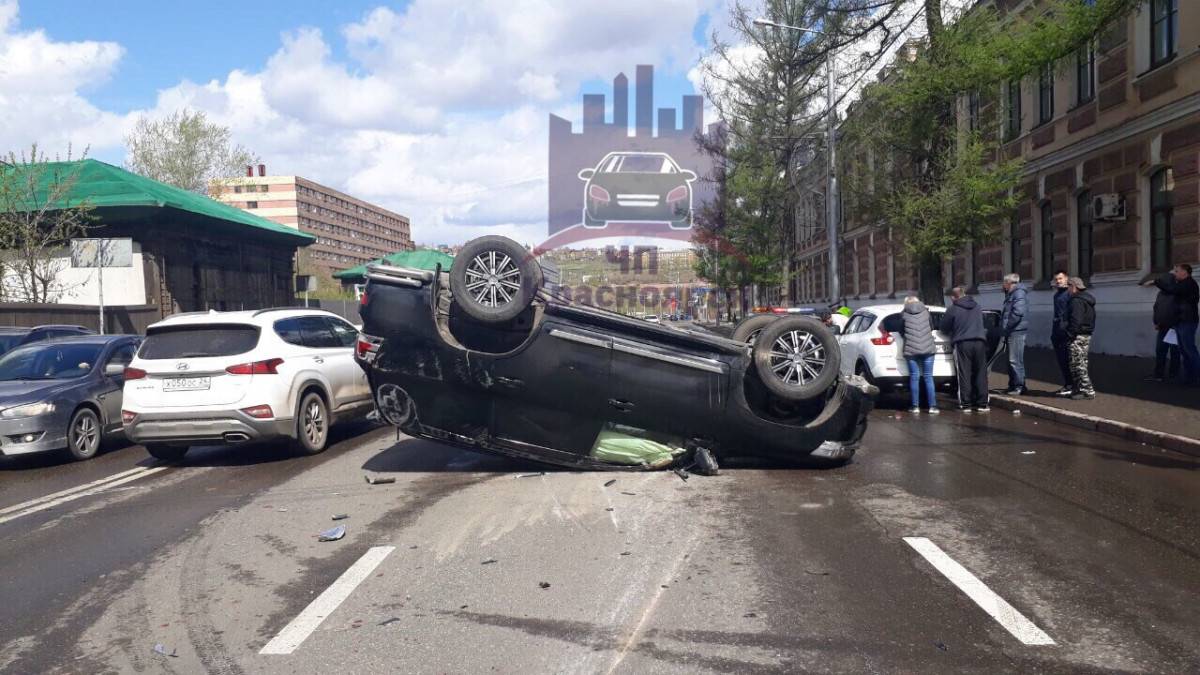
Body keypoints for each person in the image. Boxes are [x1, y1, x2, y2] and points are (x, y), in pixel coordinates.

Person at [940, 286, 989, 412]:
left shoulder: (953, 309)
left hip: (963, 343)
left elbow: (943, 327)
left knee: (964, 373)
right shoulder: (977, 306)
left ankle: (965, 404)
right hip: (980, 342)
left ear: (952, 297)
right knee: (981, 372)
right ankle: (982, 403)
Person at [901, 296, 938, 414]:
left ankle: (915, 406)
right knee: (928, 377)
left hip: (911, 350)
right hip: (928, 349)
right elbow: (932, 327)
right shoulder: (926, 312)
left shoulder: (903, 314)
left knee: (914, 377)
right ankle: (933, 407)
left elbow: (901, 330)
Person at [1145, 269, 1182, 382]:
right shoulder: (1161, 294)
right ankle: (1159, 374)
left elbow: (1177, 310)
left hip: (1174, 327)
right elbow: (1157, 308)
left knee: (1174, 352)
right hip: (1162, 326)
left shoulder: (1176, 293)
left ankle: (1173, 374)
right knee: (1161, 351)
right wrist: (1156, 322)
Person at [1065, 277, 1097, 400]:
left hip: (1078, 335)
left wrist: (1070, 334)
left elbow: (1075, 320)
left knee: (1078, 364)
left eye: (1068, 286)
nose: (1067, 289)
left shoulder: (1076, 301)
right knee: (1080, 362)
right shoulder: (1087, 299)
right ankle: (1079, 389)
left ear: (1074, 286)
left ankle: (1087, 390)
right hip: (1085, 334)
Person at [999, 273, 1029, 395]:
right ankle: (1013, 385)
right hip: (1012, 330)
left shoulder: (1019, 293)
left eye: (1004, 283)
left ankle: (1019, 386)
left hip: (1016, 331)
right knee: (1011, 360)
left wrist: (1007, 326)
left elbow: (1018, 313)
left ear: (1009, 283)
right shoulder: (1012, 294)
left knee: (1015, 360)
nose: (1003, 285)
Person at [1050, 270, 1074, 396]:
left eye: (1060, 278)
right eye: (1056, 279)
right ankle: (1067, 384)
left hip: (1066, 331)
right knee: (1061, 359)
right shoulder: (1056, 295)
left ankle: (1072, 385)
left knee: (1068, 359)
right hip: (1057, 330)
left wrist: (1067, 328)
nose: (1058, 281)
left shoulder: (1070, 294)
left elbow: (1072, 313)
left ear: (1066, 279)